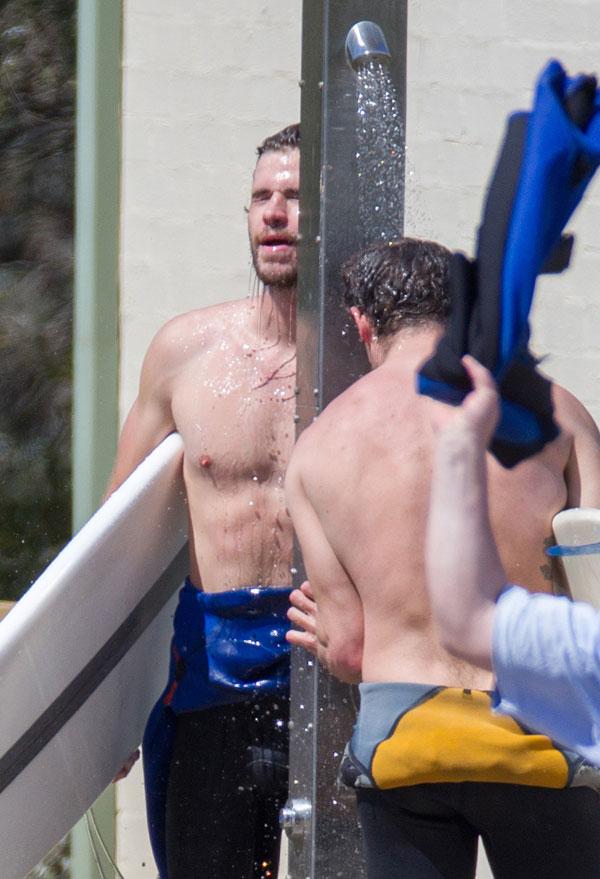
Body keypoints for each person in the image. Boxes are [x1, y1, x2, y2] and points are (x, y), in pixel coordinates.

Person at [285, 237, 600, 879]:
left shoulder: (317, 450)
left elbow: (348, 651)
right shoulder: (557, 412)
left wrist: (330, 636)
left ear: (363, 323)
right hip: (537, 738)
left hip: (405, 746)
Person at [107, 123, 300, 879]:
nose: (274, 213)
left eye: (293, 197)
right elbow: (115, 541)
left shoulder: (372, 361)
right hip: (211, 679)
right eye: (261, 198)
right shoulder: (185, 353)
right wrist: (107, 711)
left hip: (335, 673)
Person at [426, 353, 600, 767]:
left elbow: (347, 647)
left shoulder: (345, 421)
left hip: (408, 718)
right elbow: (591, 578)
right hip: (538, 725)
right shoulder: (563, 414)